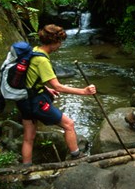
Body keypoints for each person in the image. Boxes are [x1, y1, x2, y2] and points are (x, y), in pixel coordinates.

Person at [16, 24, 96, 166]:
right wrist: (83, 91)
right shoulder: (43, 61)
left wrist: (46, 89)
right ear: (53, 43)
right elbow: (58, 86)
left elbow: (31, 78)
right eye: (59, 42)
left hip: (24, 100)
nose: (60, 46)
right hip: (36, 102)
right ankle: (76, 156)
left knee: (28, 137)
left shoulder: (34, 51)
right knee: (69, 124)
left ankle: (26, 167)